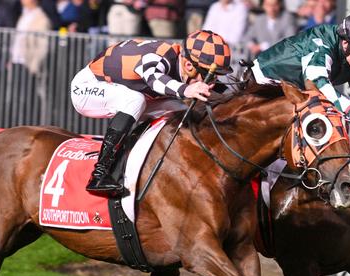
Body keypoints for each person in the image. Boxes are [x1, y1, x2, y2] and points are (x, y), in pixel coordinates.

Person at [70, 30, 233, 194]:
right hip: (86, 88)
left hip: (124, 91)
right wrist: (186, 89)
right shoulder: (158, 56)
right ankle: (99, 174)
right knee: (135, 100)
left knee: (180, 108)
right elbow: (154, 80)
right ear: (189, 65)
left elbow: (223, 91)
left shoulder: (182, 64)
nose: (212, 83)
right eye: (209, 76)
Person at [251, 10, 350, 130]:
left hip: (294, 91)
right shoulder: (322, 45)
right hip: (262, 84)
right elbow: (318, 84)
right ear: (345, 44)